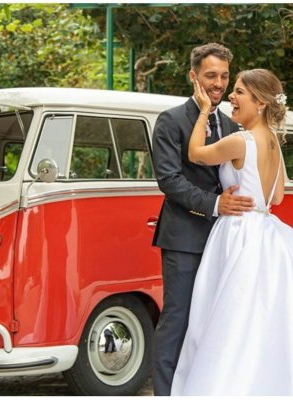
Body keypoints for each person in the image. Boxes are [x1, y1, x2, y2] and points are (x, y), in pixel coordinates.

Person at [171, 69, 292, 395]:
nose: (231, 98)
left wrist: (203, 112)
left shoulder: (241, 141)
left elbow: (195, 153)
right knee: (256, 319)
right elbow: (277, 197)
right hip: (266, 233)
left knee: (222, 315)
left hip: (238, 232)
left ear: (261, 102)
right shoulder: (274, 144)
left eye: (239, 92)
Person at [151, 43, 254, 396]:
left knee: (213, 322)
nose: (219, 84)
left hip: (225, 239)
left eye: (224, 76)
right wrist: (215, 204)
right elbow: (169, 180)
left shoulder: (231, 124)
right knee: (177, 320)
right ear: (193, 76)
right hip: (184, 239)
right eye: (211, 75)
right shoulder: (170, 121)